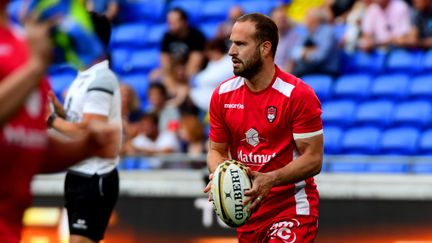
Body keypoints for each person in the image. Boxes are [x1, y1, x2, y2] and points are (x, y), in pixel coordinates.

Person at [0, 3, 119, 243]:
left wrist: (85, 147)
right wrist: (35, 69)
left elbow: (23, 147)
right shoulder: (35, 59)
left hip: (11, 224)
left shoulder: (27, 49)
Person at [203, 13, 323, 242]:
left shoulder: (297, 95)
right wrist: (220, 175)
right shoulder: (222, 95)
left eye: (240, 44)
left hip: (291, 210)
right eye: (231, 43)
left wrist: (271, 178)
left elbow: (314, 159)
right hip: (249, 215)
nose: (231, 51)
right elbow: (216, 151)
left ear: (265, 48)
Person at [48, 12, 121, 243]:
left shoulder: (101, 78)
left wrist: (50, 120)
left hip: (94, 176)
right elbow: (81, 121)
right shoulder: (85, 76)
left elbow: (90, 130)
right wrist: (60, 111)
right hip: (81, 174)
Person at [291, 7, 339, 77]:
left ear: (315, 20)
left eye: (307, 17)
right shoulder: (307, 33)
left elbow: (321, 56)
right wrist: (308, 52)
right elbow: (293, 52)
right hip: (310, 67)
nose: (304, 20)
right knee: (292, 67)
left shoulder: (328, 32)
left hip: (326, 69)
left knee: (294, 72)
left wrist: (304, 53)